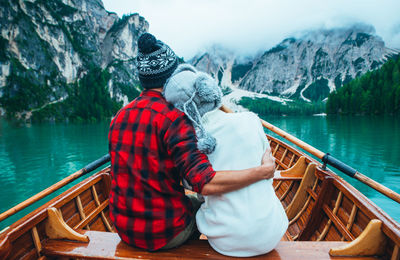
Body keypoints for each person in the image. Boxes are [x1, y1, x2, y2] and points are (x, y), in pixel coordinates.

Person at [108, 33, 276, 252]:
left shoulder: (119, 117)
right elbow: (206, 183)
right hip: (164, 234)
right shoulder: (174, 119)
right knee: (204, 205)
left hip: (125, 229)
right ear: (171, 76)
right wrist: (262, 172)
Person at [164, 64, 289, 257]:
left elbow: (196, 188)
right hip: (272, 234)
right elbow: (269, 174)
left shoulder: (192, 143)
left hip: (225, 242)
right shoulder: (251, 120)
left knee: (195, 206)